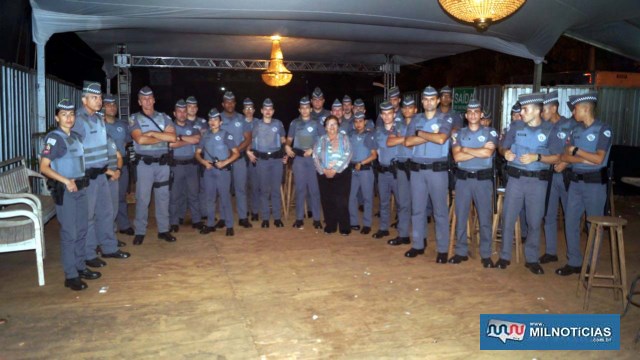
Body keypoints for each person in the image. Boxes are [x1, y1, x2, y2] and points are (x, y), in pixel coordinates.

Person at [498, 93, 563, 274]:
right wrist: (505, 153)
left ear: (537, 110)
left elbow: (557, 156)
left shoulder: (551, 129)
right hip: (516, 180)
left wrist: (538, 157)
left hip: (537, 183)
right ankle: (504, 256)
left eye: (525, 109)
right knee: (508, 218)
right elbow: (502, 145)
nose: (522, 112)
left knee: (535, 221)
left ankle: (532, 259)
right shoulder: (516, 126)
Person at [40, 99, 100, 290]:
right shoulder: (54, 138)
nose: (69, 118)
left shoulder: (75, 137)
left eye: (72, 114)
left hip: (81, 188)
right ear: (57, 117)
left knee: (82, 230)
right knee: (69, 233)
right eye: (64, 115)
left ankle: (80, 267)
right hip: (66, 191)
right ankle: (70, 275)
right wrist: (66, 181)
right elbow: (44, 167)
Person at [73, 82, 130, 268]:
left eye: (99, 98)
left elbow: (106, 148)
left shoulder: (99, 119)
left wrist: (109, 169)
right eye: (94, 98)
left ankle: (109, 247)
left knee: (106, 212)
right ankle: (89, 254)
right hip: (87, 176)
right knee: (88, 217)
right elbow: (73, 150)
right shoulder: (78, 120)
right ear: (84, 100)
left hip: (102, 174)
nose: (98, 101)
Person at [556, 92, 612, 276]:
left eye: (576, 108)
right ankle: (574, 262)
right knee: (570, 221)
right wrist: (582, 158)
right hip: (575, 183)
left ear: (586, 108)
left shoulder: (603, 129)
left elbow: (599, 159)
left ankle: (591, 265)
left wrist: (577, 152)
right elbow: (565, 156)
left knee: (593, 225)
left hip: (594, 184)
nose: (573, 112)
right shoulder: (575, 130)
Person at [404, 86, 453, 263]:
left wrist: (421, 134)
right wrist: (429, 135)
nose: (429, 102)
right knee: (417, 210)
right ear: (422, 101)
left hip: (437, 171)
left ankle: (442, 249)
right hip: (417, 170)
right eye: (426, 99)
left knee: (440, 212)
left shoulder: (445, 118)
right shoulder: (416, 119)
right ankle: (418, 244)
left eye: (433, 99)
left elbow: (441, 139)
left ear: (438, 101)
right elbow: (408, 142)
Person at [450, 99, 498, 267]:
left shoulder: (490, 132)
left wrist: (466, 149)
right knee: (461, 216)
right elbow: (457, 157)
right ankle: (461, 252)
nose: (473, 115)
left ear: (481, 114)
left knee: (485, 218)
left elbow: (488, 153)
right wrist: (479, 151)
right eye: (469, 112)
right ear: (465, 115)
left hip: (482, 181)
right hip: (463, 180)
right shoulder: (458, 134)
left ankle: (486, 254)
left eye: (476, 112)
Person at [129, 86, 177, 245]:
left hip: (163, 164)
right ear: (139, 101)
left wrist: (152, 134)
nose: (147, 101)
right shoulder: (134, 118)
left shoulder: (164, 117)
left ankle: (164, 230)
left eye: (150, 98)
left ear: (154, 100)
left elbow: (173, 137)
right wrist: (163, 137)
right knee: (143, 198)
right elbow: (140, 140)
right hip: (145, 164)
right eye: (144, 99)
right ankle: (140, 231)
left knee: (163, 198)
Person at [540, 91, 576, 265]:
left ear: (554, 108)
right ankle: (550, 251)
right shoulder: (543, 126)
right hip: (548, 175)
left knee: (570, 216)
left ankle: (573, 256)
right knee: (549, 214)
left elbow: (575, 148)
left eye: (544, 109)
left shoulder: (570, 125)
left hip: (566, 175)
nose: (542, 113)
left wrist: (565, 164)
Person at [195, 108, 240, 235]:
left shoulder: (226, 135)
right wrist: (203, 162)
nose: (212, 122)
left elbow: (236, 153)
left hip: (223, 171)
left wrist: (225, 162)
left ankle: (229, 226)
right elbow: (197, 153)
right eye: (210, 119)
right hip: (209, 171)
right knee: (209, 199)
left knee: (225, 198)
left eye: (215, 119)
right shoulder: (205, 136)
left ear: (220, 122)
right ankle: (210, 224)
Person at [285, 96, 324, 229]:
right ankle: (299, 218)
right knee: (300, 189)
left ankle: (317, 219)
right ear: (299, 110)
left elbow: (323, 140)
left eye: (307, 108)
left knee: (314, 189)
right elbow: (289, 139)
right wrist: (287, 146)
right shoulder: (294, 123)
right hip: (299, 159)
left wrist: (313, 150)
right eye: (302, 108)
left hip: (313, 159)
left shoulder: (316, 123)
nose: (305, 110)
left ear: (310, 109)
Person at [247, 98, 286, 228]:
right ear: (262, 111)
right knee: (264, 190)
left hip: (276, 160)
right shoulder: (256, 125)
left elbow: (283, 140)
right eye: (266, 109)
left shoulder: (278, 124)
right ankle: (265, 218)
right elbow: (249, 140)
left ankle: (277, 218)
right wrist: (248, 151)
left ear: (273, 111)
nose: (268, 111)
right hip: (262, 161)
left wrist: (285, 154)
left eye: (270, 109)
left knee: (275, 190)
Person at [313, 115, 352, 235]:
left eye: (334, 124)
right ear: (325, 127)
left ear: (338, 126)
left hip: (341, 173)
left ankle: (344, 227)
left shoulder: (344, 138)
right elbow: (315, 156)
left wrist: (335, 169)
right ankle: (330, 225)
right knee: (327, 200)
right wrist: (324, 170)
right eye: (329, 124)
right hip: (324, 174)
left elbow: (348, 154)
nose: (332, 127)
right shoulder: (321, 140)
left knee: (341, 201)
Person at [386, 95, 416, 246]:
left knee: (418, 205)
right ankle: (403, 235)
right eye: (405, 107)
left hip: (416, 168)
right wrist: (406, 139)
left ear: (415, 109)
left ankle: (419, 238)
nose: (407, 110)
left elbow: (414, 144)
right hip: (402, 167)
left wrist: (402, 139)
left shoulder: (420, 124)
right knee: (403, 203)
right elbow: (390, 141)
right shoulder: (398, 125)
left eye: (410, 107)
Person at [169, 99, 202, 232]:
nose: (182, 114)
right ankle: (174, 222)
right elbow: (171, 144)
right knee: (175, 195)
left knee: (194, 194)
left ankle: (197, 220)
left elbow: (198, 139)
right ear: (174, 113)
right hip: (176, 165)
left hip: (191, 165)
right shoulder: (170, 127)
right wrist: (188, 140)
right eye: (179, 111)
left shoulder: (193, 127)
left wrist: (180, 138)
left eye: (184, 111)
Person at [221, 91, 253, 228]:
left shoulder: (242, 119)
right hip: (223, 159)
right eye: (227, 102)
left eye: (232, 102)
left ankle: (243, 217)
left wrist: (236, 151)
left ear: (235, 103)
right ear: (223, 104)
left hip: (238, 158)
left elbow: (248, 138)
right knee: (224, 190)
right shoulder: (217, 118)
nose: (229, 104)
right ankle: (223, 218)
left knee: (240, 189)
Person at [103, 94, 132, 243]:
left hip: (121, 166)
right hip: (105, 168)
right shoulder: (99, 125)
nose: (112, 107)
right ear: (102, 107)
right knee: (107, 201)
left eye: (114, 105)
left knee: (121, 197)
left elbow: (127, 142)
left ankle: (124, 225)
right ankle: (110, 230)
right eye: (108, 105)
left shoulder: (122, 124)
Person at [348, 112, 378, 234]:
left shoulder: (369, 135)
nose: (358, 124)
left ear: (365, 122)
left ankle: (367, 224)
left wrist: (361, 162)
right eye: (356, 121)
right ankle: (353, 222)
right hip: (353, 169)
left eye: (360, 121)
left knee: (367, 198)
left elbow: (374, 155)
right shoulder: (351, 135)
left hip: (365, 170)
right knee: (351, 197)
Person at [372, 101, 399, 239]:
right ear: (381, 116)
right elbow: (376, 151)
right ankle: (383, 228)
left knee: (401, 201)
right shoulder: (378, 132)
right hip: (382, 171)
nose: (387, 116)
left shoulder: (400, 130)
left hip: (397, 172)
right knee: (383, 201)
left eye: (390, 113)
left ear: (394, 114)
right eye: (384, 114)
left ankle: (402, 229)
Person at [185, 95, 209, 220]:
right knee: (189, 188)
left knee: (204, 186)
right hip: (187, 158)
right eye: (189, 106)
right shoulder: (181, 121)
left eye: (194, 107)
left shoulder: (203, 122)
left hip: (201, 156)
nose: (192, 109)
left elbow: (204, 137)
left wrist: (191, 138)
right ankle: (186, 214)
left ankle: (204, 212)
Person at [242, 98, 261, 221]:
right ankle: (245, 210)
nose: (249, 111)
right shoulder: (238, 122)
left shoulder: (259, 122)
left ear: (254, 110)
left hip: (255, 155)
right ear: (243, 110)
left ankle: (254, 211)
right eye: (246, 108)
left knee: (254, 185)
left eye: (251, 108)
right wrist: (246, 151)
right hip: (241, 156)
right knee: (242, 186)